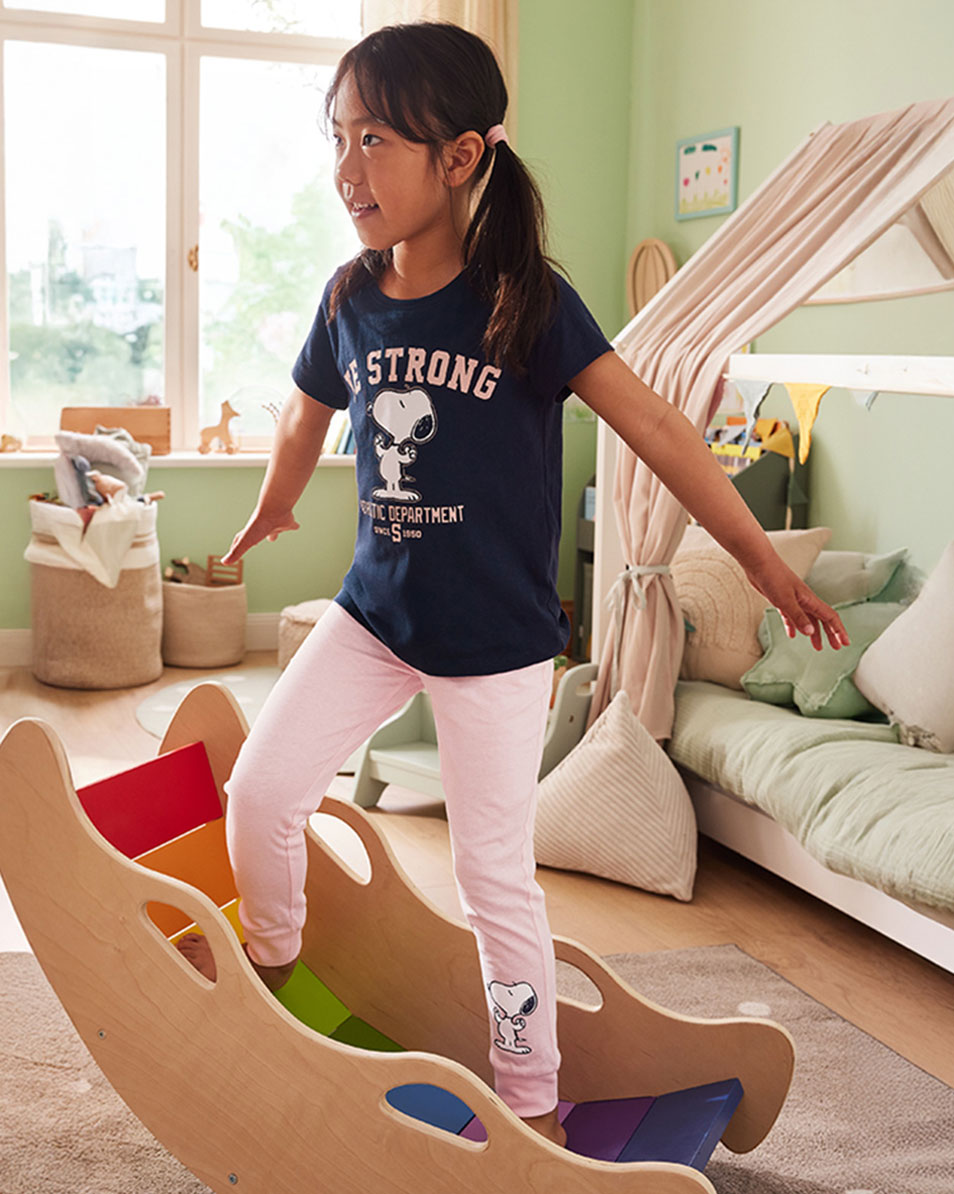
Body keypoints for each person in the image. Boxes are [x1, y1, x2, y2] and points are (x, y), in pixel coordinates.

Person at [177, 21, 849, 1147]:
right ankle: (274, 969)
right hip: (374, 615)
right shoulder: (349, 295)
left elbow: (663, 432)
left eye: (376, 138)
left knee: (496, 880)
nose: (347, 168)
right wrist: (278, 499)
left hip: (496, 642)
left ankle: (529, 1095)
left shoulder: (524, 302)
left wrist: (764, 561)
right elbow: (307, 404)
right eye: (336, 137)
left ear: (462, 157)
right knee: (258, 792)